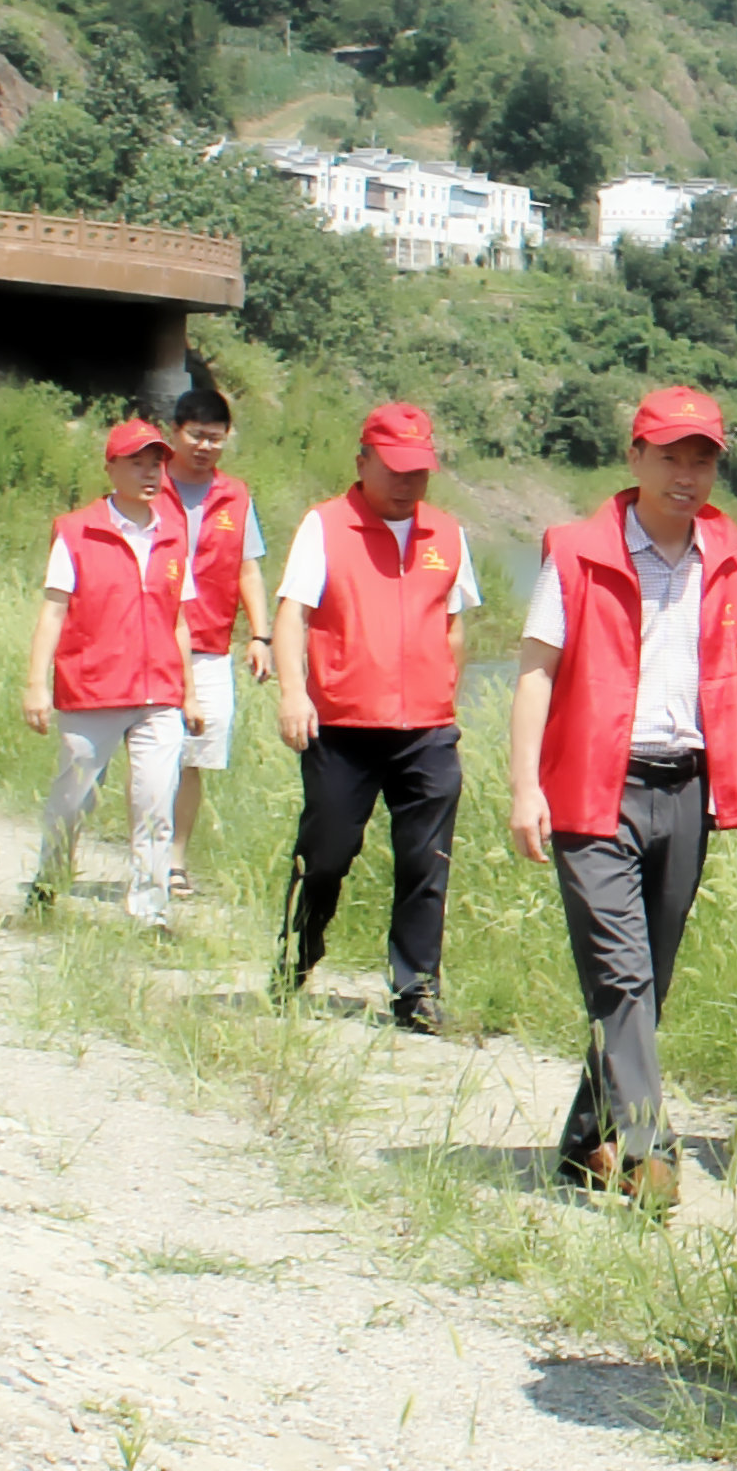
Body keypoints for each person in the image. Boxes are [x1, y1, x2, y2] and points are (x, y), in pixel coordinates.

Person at [509, 386, 737, 1210]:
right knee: (623, 973)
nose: (687, 473)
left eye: (702, 457)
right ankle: (646, 1145)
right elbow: (535, 669)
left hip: (687, 785)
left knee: (646, 977)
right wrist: (525, 785)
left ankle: (578, 1144)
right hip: (594, 787)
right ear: (634, 457)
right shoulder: (577, 550)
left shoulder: (728, 553)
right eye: (670, 455)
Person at [269, 401, 480, 1032]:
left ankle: (416, 991)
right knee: (326, 854)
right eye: (393, 469)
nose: (407, 483)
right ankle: (297, 958)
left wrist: (447, 697)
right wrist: (292, 693)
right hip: (341, 726)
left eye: (418, 471)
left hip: (426, 730)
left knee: (426, 861)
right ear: (363, 463)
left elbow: (454, 623)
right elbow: (293, 614)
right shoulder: (326, 526)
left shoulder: (446, 532)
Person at [22, 419, 202, 928]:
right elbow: (53, 611)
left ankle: (151, 912)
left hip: (158, 691)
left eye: (157, 464)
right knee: (73, 799)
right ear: (112, 468)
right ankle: (49, 883)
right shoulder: (78, 531)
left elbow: (180, 620)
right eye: (137, 463)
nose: (150, 474)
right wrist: (36, 685)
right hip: (92, 688)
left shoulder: (173, 534)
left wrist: (187, 693)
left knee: (154, 802)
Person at [164, 383, 270, 900]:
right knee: (144, 752)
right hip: (147, 638)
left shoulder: (236, 496)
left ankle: (175, 860)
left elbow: (248, 567)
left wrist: (260, 634)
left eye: (215, 437)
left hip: (209, 642)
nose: (205, 446)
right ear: (175, 434)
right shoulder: (148, 483)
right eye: (196, 435)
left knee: (195, 756)